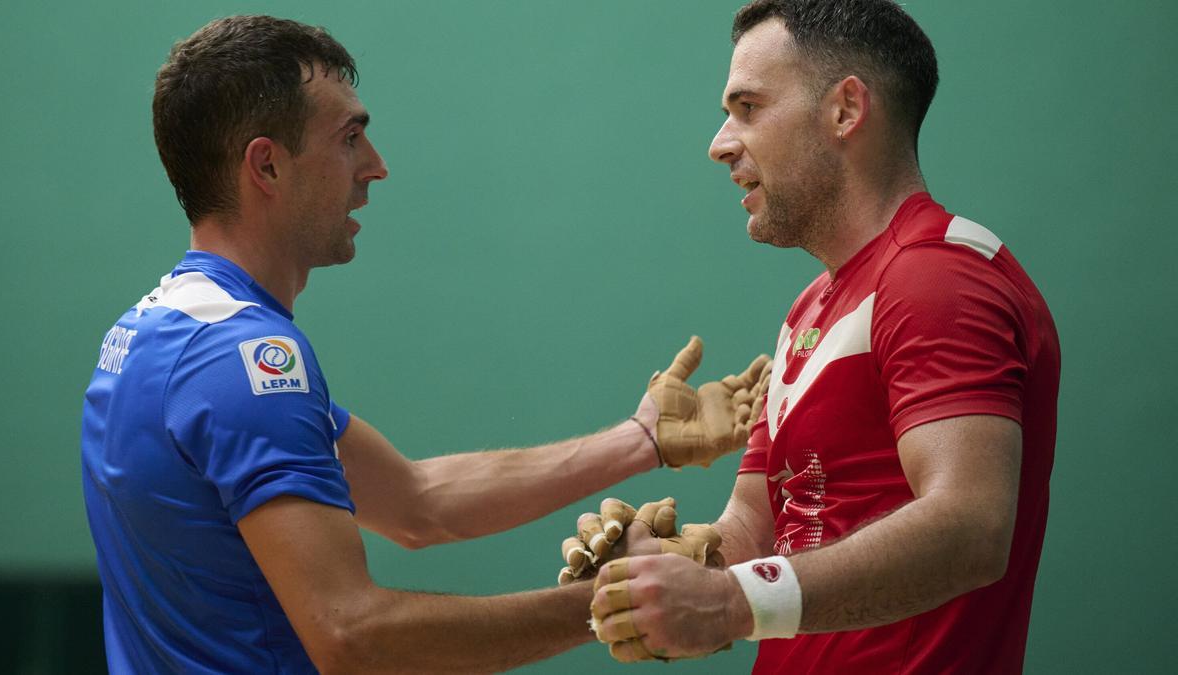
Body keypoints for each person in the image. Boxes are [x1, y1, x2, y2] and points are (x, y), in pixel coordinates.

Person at [79, 15, 770, 674]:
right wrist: (621, 601)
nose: (374, 167)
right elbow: (352, 635)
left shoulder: (156, 332)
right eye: (350, 137)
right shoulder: (249, 365)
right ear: (267, 166)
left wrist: (640, 438)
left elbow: (416, 501)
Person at [580, 1, 1061, 672]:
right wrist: (669, 563)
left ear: (845, 110)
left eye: (748, 108)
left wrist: (730, 603)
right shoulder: (810, 309)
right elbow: (756, 532)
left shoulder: (938, 278)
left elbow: (971, 527)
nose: (719, 142)